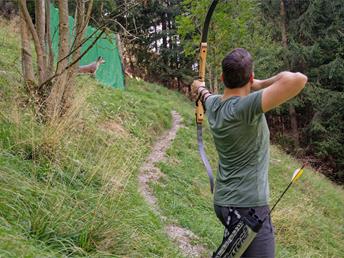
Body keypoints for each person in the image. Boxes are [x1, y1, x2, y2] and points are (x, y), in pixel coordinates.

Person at [192, 48, 307, 258]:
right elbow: (298, 79)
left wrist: (198, 87)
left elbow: (203, 93)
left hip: (224, 203)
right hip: (248, 207)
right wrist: (261, 84)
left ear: (222, 77)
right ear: (251, 78)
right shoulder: (247, 107)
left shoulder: (215, 104)